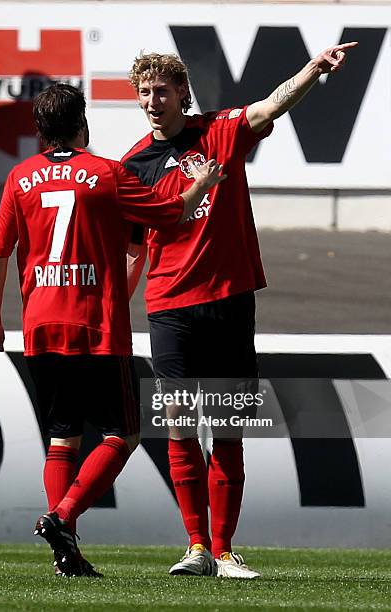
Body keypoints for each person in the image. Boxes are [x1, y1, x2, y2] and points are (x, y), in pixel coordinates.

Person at [123, 42, 358, 578]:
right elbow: (133, 248)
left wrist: (313, 69)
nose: (152, 99)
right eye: (144, 92)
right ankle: (196, 547)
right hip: (169, 306)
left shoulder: (220, 131)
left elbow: (271, 105)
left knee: (227, 426)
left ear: (182, 92)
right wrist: (114, 303)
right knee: (181, 424)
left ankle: (225, 549)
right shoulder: (133, 166)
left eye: (162, 90)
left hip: (228, 298)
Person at [0, 83, 225, 577]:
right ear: (81, 124)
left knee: (62, 439)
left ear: (39, 130)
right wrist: (202, 184)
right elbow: (172, 214)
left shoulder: (20, 178)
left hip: (40, 326)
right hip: (96, 327)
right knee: (124, 433)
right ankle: (62, 516)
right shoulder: (107, 174)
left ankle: (64, 552)